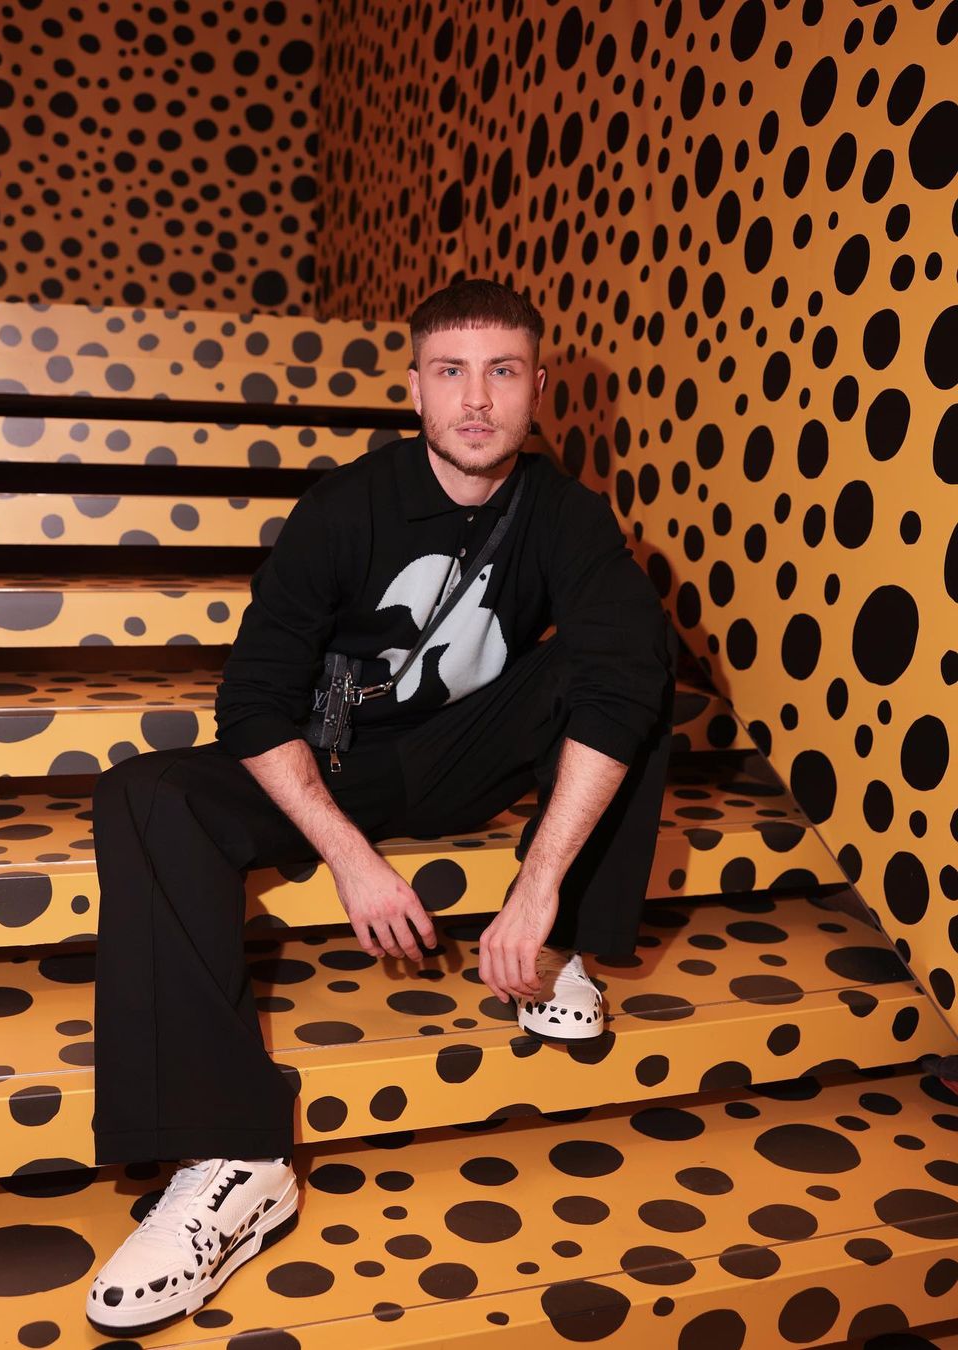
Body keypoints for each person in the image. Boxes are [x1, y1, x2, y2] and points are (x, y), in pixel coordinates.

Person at [84, 278, 677, 1335]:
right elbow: (251, 701)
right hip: (342, 764)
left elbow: (621, 678)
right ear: (415, 389)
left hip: (470, 751)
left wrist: (538, 887)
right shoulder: (345, 508)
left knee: (630, 659)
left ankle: (563, 953)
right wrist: (349, 856)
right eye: (451, 372)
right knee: (146, 795)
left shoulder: (566, 514)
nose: (477, 400)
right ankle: (237, 1155)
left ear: (539, 387)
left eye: (502, 371)